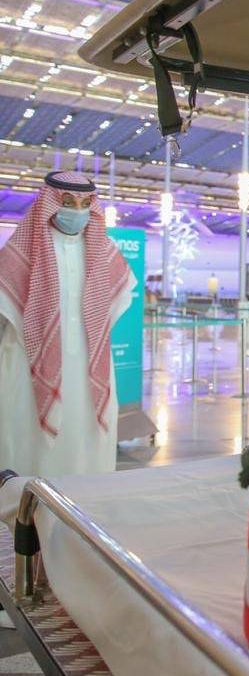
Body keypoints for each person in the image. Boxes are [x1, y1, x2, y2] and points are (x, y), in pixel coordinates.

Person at [0, 171, 135, 476]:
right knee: (29, 444)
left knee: (85, 440)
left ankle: (86, 509)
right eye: (68, 201)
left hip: (89, 365)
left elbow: (119, 296)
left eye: (85, 202)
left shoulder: (104, 253)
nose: (77, 210)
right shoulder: (21, 253)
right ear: (50, 202)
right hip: (28, 364)